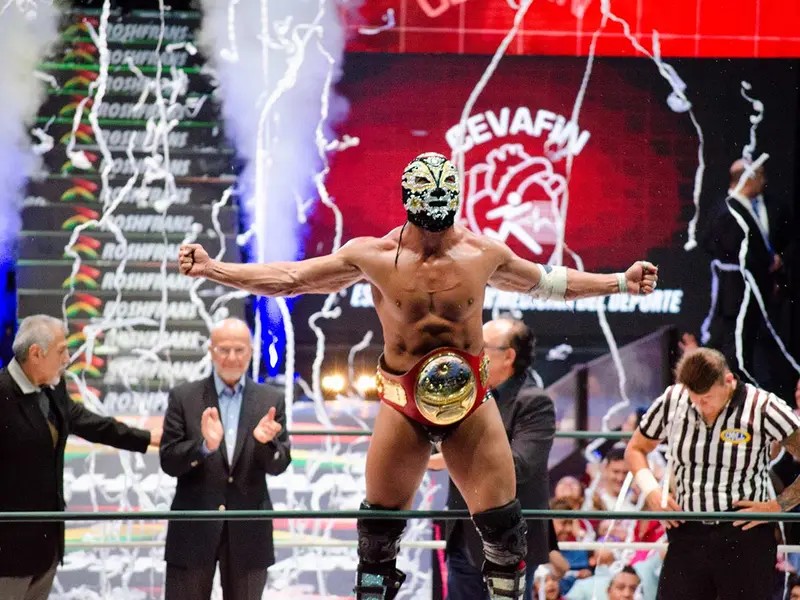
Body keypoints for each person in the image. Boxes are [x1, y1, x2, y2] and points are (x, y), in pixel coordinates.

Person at [178, 151, 658, 599]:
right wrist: (215, 269)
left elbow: (550, 282)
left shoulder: (481, 253)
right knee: (377, 537)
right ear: (409, 202)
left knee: (504, 534)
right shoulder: (373, 255)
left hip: (469, 400)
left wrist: (619, 281)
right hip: (403, 398)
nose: (435, 225)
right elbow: (292, 279)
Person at [0, 314, 160, 600]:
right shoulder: (2, 394)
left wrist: (145, 437)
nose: (67, 358)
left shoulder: (53, 386)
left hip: (45, 550)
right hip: (7, 558)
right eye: (61, 350)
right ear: (36, 354)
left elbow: (88, 422)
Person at [625, 347, 800, 599]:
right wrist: (652, 492)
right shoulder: (674, 399)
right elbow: (635, 449)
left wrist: (778, 506)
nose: (700, 405)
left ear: (728, 380)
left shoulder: (762, 406)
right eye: (693, 397)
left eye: (706, 397)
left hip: (743, 532)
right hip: (687, 531)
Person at [160, 318, 291, 600]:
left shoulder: (270, 400)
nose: (232, 357)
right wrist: (204, 447)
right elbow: (169, 461)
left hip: (249, 533)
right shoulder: (184, 397)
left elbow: (279, 464)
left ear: (251, 352)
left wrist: (264, 443)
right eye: (224, 349)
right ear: (211, 351)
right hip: (192, 532)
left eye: (239, 350)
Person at [428, 317, 555, 600]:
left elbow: (519, 465)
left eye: (481, 347)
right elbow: (434, 447)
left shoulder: (534, 402)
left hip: (511, 537)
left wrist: (452, 458)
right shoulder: (465, 394)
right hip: (463, 532)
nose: (472, 354)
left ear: (508, 356)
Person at [702, 159, 793, 397]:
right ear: (748, 179)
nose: (764, 181)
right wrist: (765, 263)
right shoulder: (729, 211)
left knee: (754, 349)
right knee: (736, 351)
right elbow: (733, 250)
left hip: (756, 295)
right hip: (739, 294)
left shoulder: (745, 207)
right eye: (759, 176)